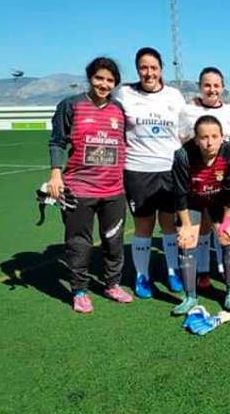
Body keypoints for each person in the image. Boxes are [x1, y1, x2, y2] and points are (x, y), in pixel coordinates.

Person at [48, 56, 133, 313]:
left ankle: (112, 284)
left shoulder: (118, 109)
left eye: (109, 80)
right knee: (79, 243)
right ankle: (80, 290)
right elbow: (57, 142)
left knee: (114, 241)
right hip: (79, 189)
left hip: (114, 190)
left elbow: (125, 144)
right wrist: (55, 175)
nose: (104, 84)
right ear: (90, 78)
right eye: (99, 78)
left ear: (115, 83)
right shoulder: (70, 105)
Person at [114, 47, 186, 298]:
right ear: (137, 69)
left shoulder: (174, 96)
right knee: (144, 225)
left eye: (153, 67)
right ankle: (142, 276)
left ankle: (173, 271)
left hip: (168, 170)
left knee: (169, 224)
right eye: (144, 67)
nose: (149, 72)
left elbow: (185, 131)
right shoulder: (124, 94)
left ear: (161, 70)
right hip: (138, 169)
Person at [170, 115, 230, 315]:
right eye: (203, 137)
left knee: (227, 236)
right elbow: (180, 194)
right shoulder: (183, 155)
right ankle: (190, 296)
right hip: (192, 201)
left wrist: (228, 221)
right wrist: (185, 226)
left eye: (214, 136)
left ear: (222, 137)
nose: (209, 142)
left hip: (219, 201)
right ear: (195, 139)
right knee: (186, 241)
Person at [179, 67, 230, 277]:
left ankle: (222, 267)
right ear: (199, 87)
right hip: (198, 179)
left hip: (222, 179)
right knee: (202, 226)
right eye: (207, 85)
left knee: (221, 225)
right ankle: (203, 271)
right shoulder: (189, 110)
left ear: (222, 88)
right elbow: (184, 142)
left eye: (216, 85)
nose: (212, 89)